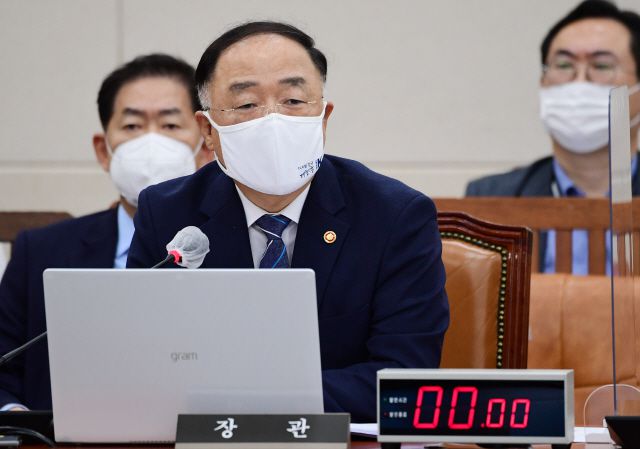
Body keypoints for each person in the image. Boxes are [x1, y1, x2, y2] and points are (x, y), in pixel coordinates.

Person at [127, 21, 449, 422]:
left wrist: (256, 397)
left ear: (323, 118)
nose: (272, 120)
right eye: (247, 104)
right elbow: (143, 362)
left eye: (293, 100)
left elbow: (404, 377)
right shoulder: (167, 213)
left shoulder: (394, 216)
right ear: (208, 130)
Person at [0, 54, 214, 410]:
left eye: (170, 125)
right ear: (104, 150)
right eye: (132, 126)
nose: (151, 142)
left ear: (206, 146)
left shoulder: (240, 239)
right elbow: (4, 372)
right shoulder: (39, 251)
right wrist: (21, 423)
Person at [466, 0, 640, 273]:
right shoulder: (490, 198)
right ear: (543, 83)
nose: (579, 82)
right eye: (563, 64)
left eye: (601, 65)